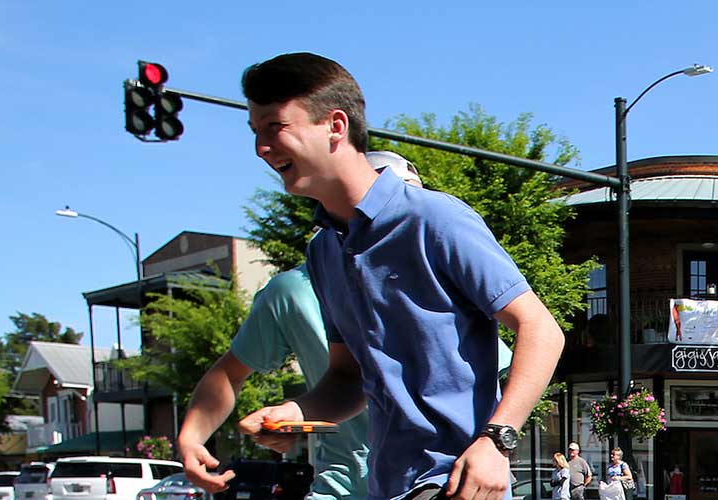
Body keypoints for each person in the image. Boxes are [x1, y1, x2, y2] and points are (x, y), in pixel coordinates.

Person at [232, 52, 565, 500]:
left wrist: (497, 440)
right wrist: (294, 411)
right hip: (388, 484)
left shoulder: (433, 219)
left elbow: (541, 329)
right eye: (256, 133)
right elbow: (348, 380)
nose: (261, 149)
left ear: (335, 126)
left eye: (275, 128)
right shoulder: (324, 251)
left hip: (455, 483)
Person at [176, 152, 419, 500]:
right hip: (343, 489)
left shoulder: (434, 272)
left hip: (434, 482)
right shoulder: (294, 290)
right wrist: (191, 439)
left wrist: (492, 445)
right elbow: (228, 374)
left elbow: (489, 379)